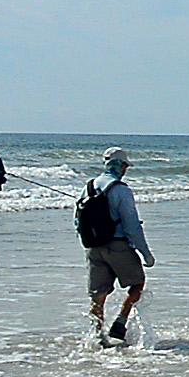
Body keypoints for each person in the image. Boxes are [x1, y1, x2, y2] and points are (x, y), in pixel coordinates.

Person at [79, 147, 155, 347]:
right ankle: (120, 322)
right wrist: (146, 254)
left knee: (98, 294)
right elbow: (132, 227)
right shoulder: (122, 190)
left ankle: (96, 336)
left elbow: (78, 222)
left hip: (92, 247)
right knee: (137, 283)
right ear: (121, 166)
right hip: (118, 246)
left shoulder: (88, 187)